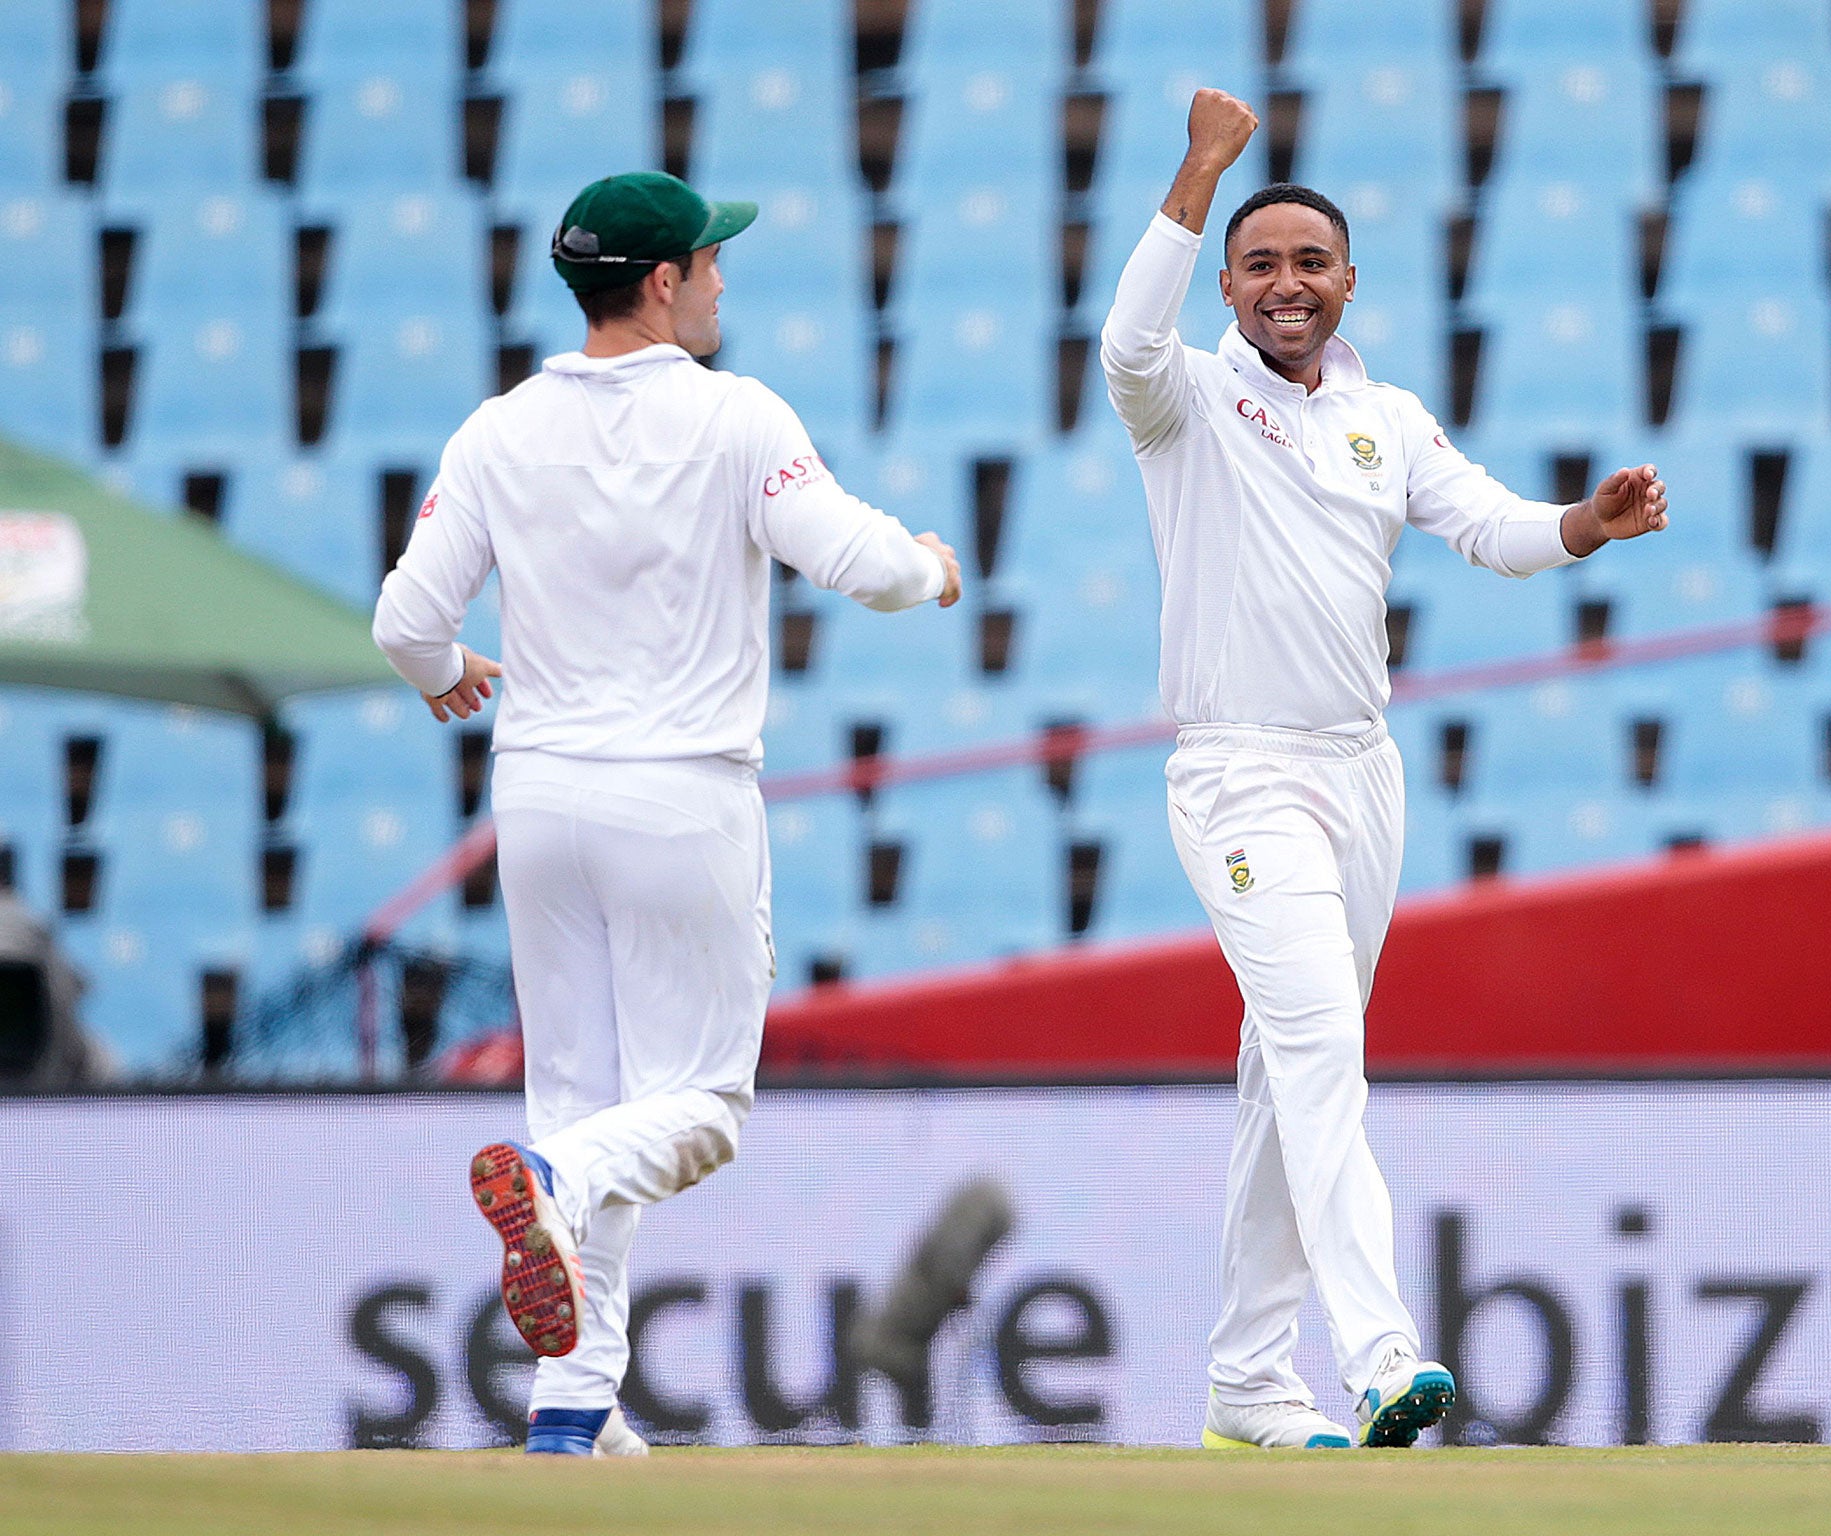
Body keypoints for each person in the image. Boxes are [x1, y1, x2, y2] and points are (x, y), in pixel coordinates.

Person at [1100, 91, 1668, 1451]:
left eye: (1310, 263)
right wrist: (1199, 173)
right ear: (1228, 286)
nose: (1286, 284)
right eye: (1260, 265)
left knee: (1280, 1082)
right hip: (1239, 773)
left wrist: (1587, 524)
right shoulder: (1183, 398)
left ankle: (1247, 1385)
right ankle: (1380, 1355)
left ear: (1348, 283)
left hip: (1363, 777)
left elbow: (1494, 531)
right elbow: (1126, 338)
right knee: (1318, 1052)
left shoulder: (1386, 417)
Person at [371, 171, 962, 1457]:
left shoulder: (497, 429)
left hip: (533, 800)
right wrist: (933, 569)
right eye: (708, 264)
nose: (719, 283)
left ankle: (572, 1404)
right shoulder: (733, 415)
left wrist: (444, 676)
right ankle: (552, 1193)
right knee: (697, 1112)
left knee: (581, 1100)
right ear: (659, 284)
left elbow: (407, 621)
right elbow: (859, 564)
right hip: (679, 796)